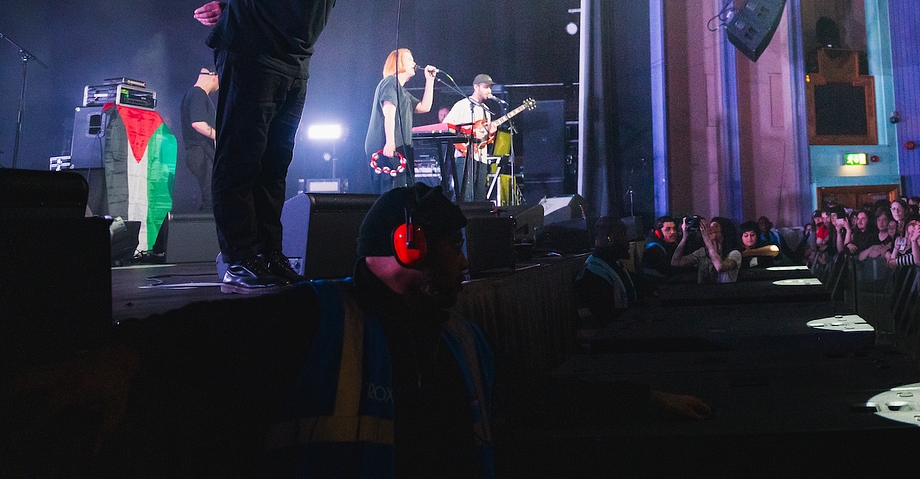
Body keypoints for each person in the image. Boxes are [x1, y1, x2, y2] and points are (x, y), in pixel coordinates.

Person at [5, 185, 713, 475]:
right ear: (409, 247)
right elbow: (201, 338)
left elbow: (528, 396)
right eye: (455, 245)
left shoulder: (461, 340)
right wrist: (118, 361)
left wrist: (640, 400)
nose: (468, 261)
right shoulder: (311, 319)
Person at [193, 0, 394, 293]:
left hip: (292, 59)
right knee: (241, 157)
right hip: (253, 51)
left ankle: (268, 255)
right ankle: (238, 259)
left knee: (274, 164)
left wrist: (233, 8)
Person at [365, 49, 438, 194]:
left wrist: (430, 81)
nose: (414, 63)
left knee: (402, 190)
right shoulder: (390, 82)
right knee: (390, 191)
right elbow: (389, 113)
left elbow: (424, 107)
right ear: (398, 63)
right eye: (410, 59)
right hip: (386, 145)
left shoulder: (403, 91)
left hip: (400, 146)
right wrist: (390, 141)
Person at [444, 75, 502, 199]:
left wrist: (491, 133)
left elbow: (485, 139)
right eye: (486, 87)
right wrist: (466, 136)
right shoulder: (462, 105)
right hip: (464, 157)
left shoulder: (486, 110)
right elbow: (446, 126)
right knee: (464, 194)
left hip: (481, 158)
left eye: (490, 88)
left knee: (480, 196)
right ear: (476, 87)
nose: (489, 91)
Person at [576, 217, 637, 325]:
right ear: (609, 238)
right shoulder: (593, 273)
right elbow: (606, 318)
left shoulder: (613, 264)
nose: (627, 239)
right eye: (623, 233)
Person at [177, 67, 219, 212]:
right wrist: (220, 136)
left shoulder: (192, 95)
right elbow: (198, 123)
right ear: (214, 76)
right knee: (212, 200)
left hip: (198, 153)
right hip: (201, 153)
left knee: (211, 198)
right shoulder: (198, 94)